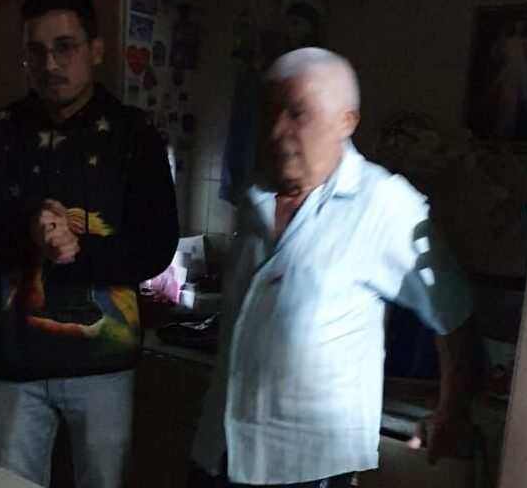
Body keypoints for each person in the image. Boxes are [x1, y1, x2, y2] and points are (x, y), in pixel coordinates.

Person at [189, 48, 474, 487]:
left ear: (347, 122)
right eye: (270, 113)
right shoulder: (255, 194)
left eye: (297, 114)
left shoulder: (383, 202)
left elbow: (452, 310)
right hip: (220, 450)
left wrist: (450, 412)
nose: (277, 130)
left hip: (307, 466)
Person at [0, 0, 179, 486]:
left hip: (103, 364)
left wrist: (79, 251)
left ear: (96, 49)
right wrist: (26, 234)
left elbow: (158, 244)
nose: (49, 64)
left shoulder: (135, 135)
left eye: (65, 47)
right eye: (36, 51)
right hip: (13, 360)